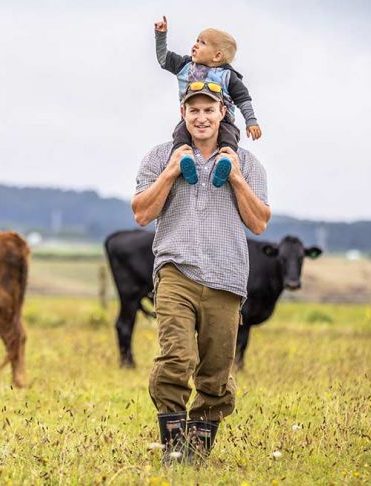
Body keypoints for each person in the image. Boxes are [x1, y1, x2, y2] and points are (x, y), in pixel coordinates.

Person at [131, 82, 271, 464]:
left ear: (222, 112)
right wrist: (170, 174)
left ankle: (196, 454)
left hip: (226, 277)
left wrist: (238, 179)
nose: (201, 116)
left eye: (209, 110)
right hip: (176, 271)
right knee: (176, 357)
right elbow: (142, 213)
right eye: (193, 110)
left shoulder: (246, 163)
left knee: (216, 371)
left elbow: (259, 223)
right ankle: (173, 452)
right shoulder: (160, 156)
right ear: (183, 114)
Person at [154, 16, 262, 188]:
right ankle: (184, 159)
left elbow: (243, 99)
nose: (195, 45)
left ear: (217, 55)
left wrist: (251, 120)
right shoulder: (185, 66)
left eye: (202, 43)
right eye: (196, 40)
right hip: (191, 119)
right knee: (180, 133)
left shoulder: (228, 77)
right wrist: (161, 35)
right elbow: (163, 59)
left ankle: (224, 163)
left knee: (230, 135)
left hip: (222, 121)